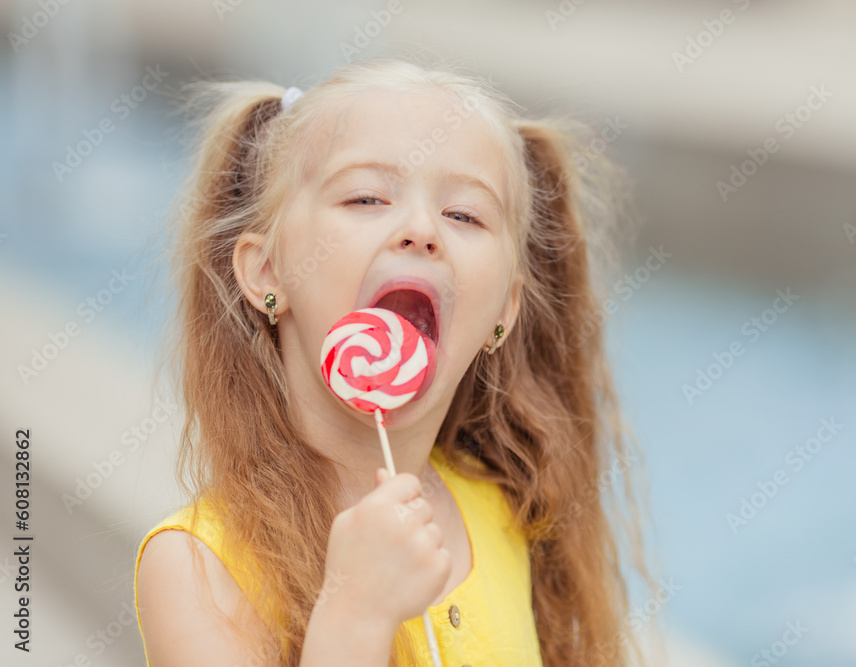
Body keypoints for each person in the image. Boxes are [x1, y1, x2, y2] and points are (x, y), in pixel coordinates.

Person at [133, 56, 657, 667]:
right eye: (365, 198)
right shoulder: (202, 568)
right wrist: (355, 614)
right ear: (267, 271)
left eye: (464, 214)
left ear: (504, 311)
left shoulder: (511, 510)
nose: (420, 228)